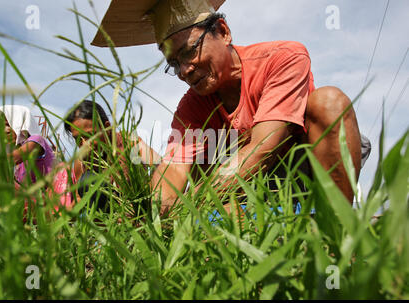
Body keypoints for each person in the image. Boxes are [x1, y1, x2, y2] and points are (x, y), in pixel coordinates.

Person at [92, 0, 369, 215]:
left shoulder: (282, 58)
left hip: (300, 171)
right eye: (174, 63)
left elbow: (264, 148)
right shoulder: (191, 106)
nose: (184, 71)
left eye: (189, 51)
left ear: (223, 32)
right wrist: (154, 211)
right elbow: (173, 169)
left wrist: (191, 203)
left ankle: (334, 230)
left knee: (329, 102)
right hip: (250, 192)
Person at [60, 100, 161, 213]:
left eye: (89, 135)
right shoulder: (81, 162)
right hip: (108, 218)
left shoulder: (128, 141)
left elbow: (159, 166)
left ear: (107, 128)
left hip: (141, 208)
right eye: (78, 139)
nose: (84, 144)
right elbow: (80, 197)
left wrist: (152, 201)